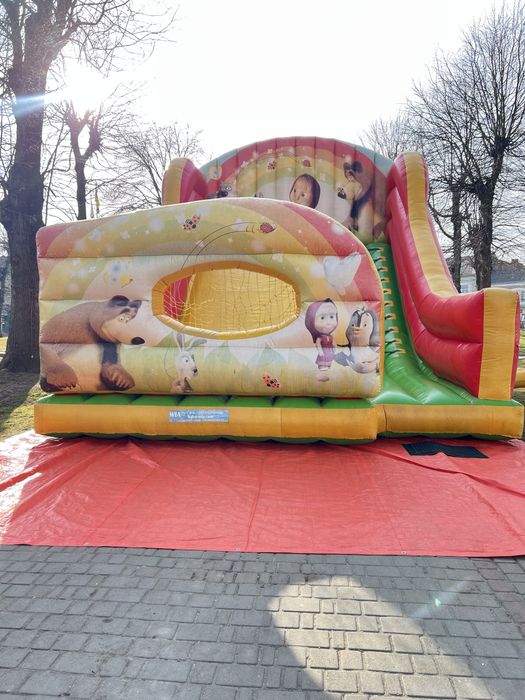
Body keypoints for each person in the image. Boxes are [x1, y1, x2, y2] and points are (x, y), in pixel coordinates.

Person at [304, 298, 338, 381]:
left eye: (332, 316)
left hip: (329, 353)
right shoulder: (320, 338)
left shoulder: (330, 337)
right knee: (322, 366)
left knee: (329, 365)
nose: (328, 322)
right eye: (322, 318)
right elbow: (318, 344)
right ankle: (320, 376)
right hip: (323, 353)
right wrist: (320, 351)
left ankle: (327, 375)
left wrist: (335, 348)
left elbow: (334, 343)